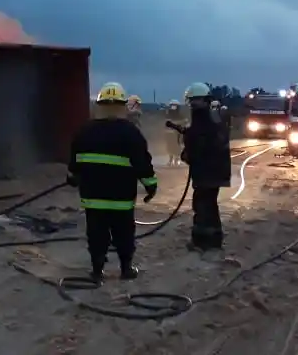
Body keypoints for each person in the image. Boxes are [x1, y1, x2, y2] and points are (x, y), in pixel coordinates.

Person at [67, 82, 158, 282]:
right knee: (124, 234)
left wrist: (73, 176)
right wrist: (151, 186)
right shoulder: (131, 133)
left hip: (93, 198)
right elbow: (143, 164)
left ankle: (97, 271)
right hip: (121, 199)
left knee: (96, 234)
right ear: (122, 106)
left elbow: (74, 163)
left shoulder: (84, 131)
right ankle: (126, 269)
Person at [179, 82, 232, 252]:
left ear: (199, 100)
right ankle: (215, 240)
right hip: (217, 170)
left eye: (193, 101)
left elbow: (199, 145)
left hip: (206, 171)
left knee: (201, 205)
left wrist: (188, 154)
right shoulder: (213, 116)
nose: (192, 105)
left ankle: (200, 241)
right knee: (210, 204)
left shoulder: (202, 118)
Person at [164, 100, 184, 165]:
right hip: (169, 133)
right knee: (169, 146)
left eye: (175, 105)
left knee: (178, 146)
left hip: (177, 133)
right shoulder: (168, 115)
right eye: (172, 105)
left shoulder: (180, 115)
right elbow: (165, 123)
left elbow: (184, 123)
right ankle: (170, 160)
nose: (173, 107)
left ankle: (177, 159)